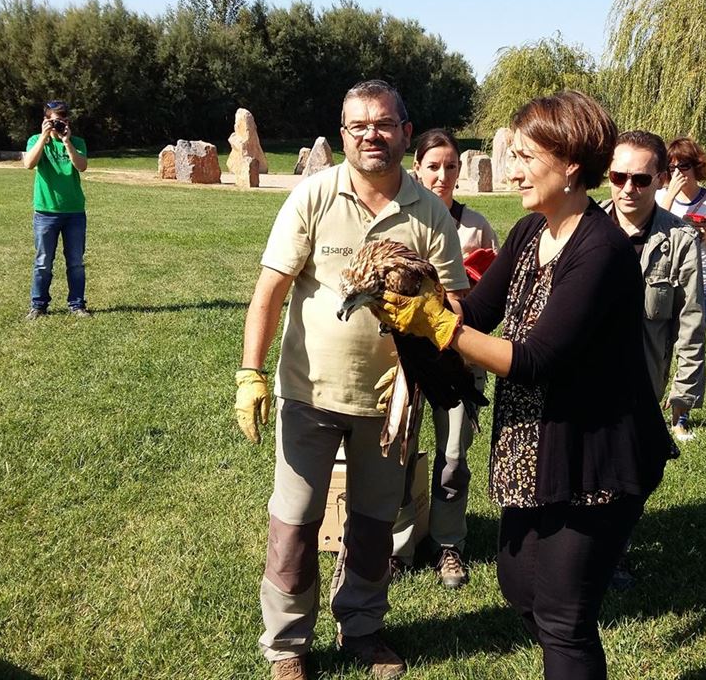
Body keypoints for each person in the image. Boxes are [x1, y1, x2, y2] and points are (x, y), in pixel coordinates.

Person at [375, 90, 674, 679]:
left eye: (524, 157)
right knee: (518, 585)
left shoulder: (603, 250)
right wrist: (414, 296)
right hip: (534, 448)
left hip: (595, 456)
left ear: (569, 165)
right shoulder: (528, 232)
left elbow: (536, 359)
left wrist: (437, 325)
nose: (511, 170)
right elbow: (478, 313)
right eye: (511, 155)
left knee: (564, 617)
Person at [234, 80, 467, 680]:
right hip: (309, 392)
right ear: (343, 134)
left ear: (405, 133)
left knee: (372, 523)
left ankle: (362, 627)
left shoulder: (430, 210)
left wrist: (431, 326)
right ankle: (288, 645)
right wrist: (249, 373)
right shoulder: (313, 195)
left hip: (392, 401)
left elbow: (454, 306)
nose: (372, 135)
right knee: (295, 521)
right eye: (358, 125)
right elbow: (271, 290)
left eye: (385, 124)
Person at [389, 128, 498, 590]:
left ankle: (449, 542)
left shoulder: (476, 226)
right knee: (399, 454)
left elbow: (492, 297)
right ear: (417, 168)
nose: (442, 175)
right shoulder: (402, 221)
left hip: (457, 360)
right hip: (405, 362)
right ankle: (399, 545)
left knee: (453, 455)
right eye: (432, 165)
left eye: (451, 166)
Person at [603, 130, 703, 590]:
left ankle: (616, 547)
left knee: (634, 467)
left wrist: (685, 390)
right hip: (588, 374)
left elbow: (690, 321)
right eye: (618, 176)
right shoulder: (587, 229)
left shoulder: (679, 240)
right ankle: (590, 547)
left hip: (645, 377)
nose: (628, 188)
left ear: (661, 179)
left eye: (640, 179)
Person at [656, 136, 706, 441]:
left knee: (691, 350)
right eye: (670, 166)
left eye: (683, 165)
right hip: (663, 282)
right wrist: (670, 198)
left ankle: (681, 417)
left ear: (695, 166)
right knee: (660, 347)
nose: (677, 172)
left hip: (702, 285)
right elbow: (653, 231)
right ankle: (654, 401)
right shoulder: (660, 197)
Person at [23, 100, 90, 319]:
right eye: (53, 120)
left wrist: (67, 142)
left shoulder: (77, 141)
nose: (57, 124)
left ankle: (77, 305)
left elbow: (81, 166)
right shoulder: (35, 140)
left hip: (74, 212)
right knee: (43, 262)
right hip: (45, 212)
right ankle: (38, 306)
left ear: (67, 121)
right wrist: (43, 137)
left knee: (76, 263)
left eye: (61, 120)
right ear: (45, 121)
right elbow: (29, 164)